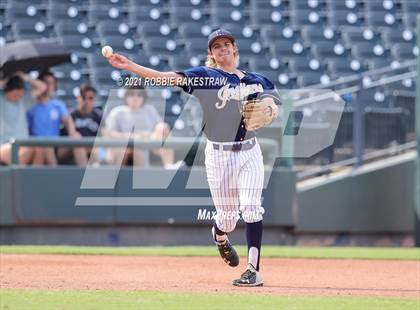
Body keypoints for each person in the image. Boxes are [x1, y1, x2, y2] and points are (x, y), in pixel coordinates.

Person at [107, 29, 279, 286]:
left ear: (234, 48)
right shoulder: (206, 76)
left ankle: (253, 270)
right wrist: (130, 65)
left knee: (252, 207)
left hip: (249, 151)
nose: (223, 49)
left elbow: (275, 105)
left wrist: (271, 109)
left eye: (227, 44)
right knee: (228, 219)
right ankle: (220, 235)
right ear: (211, 53)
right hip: (219, 155)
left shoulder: (258, 80)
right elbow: (165, 78)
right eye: (217, 46)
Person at [104, 87, 174, 167]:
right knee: (136, 148)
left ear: (143, 97)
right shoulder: (117, 112)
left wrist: (146, 136)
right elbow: (109, 133)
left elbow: (161, 129)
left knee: (162, 127)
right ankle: (141, 177)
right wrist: (130, 136)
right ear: (126, 96)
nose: (135, 98)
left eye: (139, 95)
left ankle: (169, 166)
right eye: (132, 94)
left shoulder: (150, 110)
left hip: (150, 144)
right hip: (127, 145)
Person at [26, 81, 81, 166]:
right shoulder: (29, 104)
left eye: (50, 83)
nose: (47, 87)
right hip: (35, 146)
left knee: (78, 139)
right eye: (45, 83)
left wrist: (72, 132)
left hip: (56, 145)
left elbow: (67, 120)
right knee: (45, 147)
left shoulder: (57, 105)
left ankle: (87, 176)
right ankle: (57, 177)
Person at [0, 72, 47, 165]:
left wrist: (25, 77)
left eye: (20, 95)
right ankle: (19, 178)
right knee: (27, 151)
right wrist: (7, 78)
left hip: (23, 143)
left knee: (40, 149)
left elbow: (43, 87)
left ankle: (32, 179)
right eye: (15, 95)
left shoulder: (23, 101)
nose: (17, 98)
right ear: (8, 90)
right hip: (4, 145)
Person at [58, 84, 103, 165]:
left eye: (90, 98)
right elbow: (72, 135)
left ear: (94, 100)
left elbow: (104, 135)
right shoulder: (71, 114)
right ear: (78, 98)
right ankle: (84, 176)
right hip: (68, 148)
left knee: (100, 151)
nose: (87, 101)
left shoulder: (98, 115)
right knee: (77, 142)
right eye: (84, 97)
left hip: (91, 148)